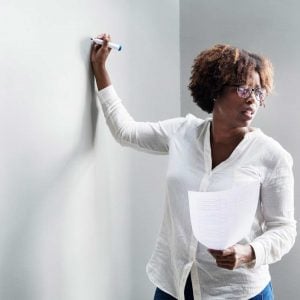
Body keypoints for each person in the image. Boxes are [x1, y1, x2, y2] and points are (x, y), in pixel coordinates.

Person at [90, 34, 296, 300]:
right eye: (244, 89)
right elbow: (126, 132)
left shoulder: (272, 156)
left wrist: (249, 253)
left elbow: (284, 228)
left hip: (237, 291)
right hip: (174, 284)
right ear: (215, 90)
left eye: (258, 92)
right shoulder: (183, 132)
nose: (252, 99)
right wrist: (100, 70)